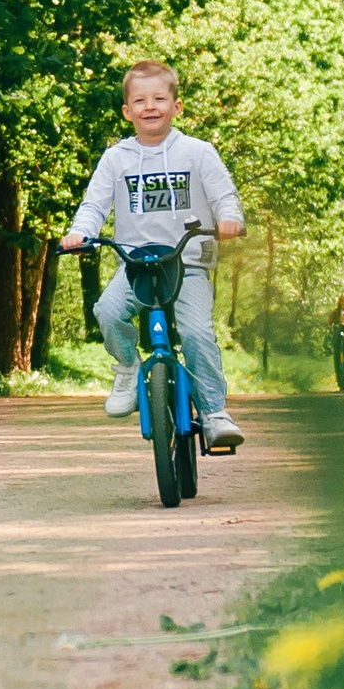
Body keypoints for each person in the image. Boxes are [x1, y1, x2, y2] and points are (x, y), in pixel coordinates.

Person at [60, 60, 247, 449]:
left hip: (187, 263)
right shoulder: (116, 159)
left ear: (176, 106)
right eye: (140, 100)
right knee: (107, 312)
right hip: (136, 265)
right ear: (127, 111)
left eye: (160, 98)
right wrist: (81, 233)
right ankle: (128, 368)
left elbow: (223, 195)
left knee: (196, 334)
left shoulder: (198, 152)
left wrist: (230, 218)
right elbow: (94, 205)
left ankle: (214, 413)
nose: (150, 107)